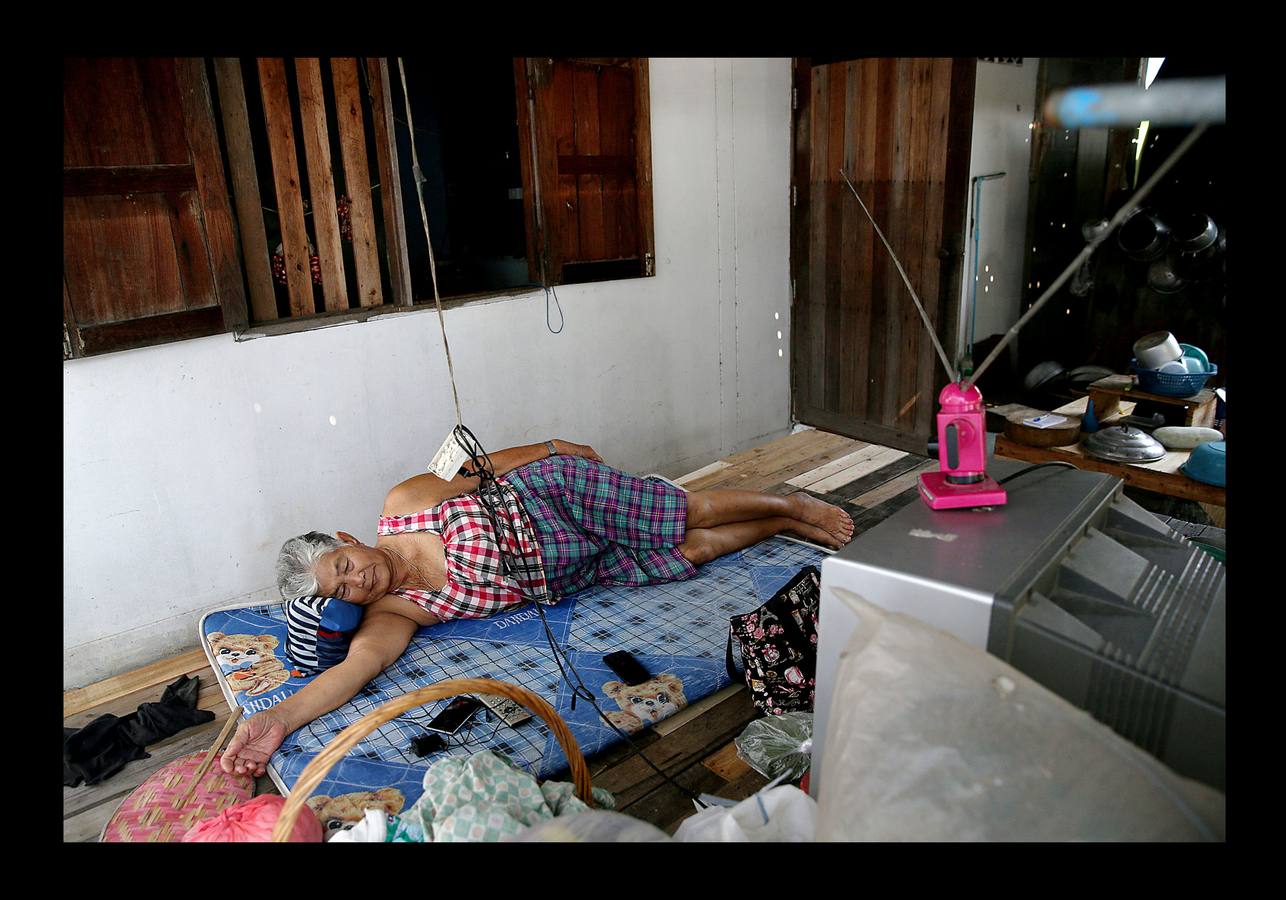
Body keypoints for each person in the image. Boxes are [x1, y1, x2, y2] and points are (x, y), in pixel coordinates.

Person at [220, 438, 854, 777]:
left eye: (343, 567)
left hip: (559, 498)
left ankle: (791, 504)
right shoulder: (400, 612)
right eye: (341, 593)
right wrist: (275, 719)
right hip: (571, 572)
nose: (356, 582)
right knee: (692, 551)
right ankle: (774, 528)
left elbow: (480, 469)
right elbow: (351, 671)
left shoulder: (404, 500)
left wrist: (552, 448)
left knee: (679, 513)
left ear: (348, 541)